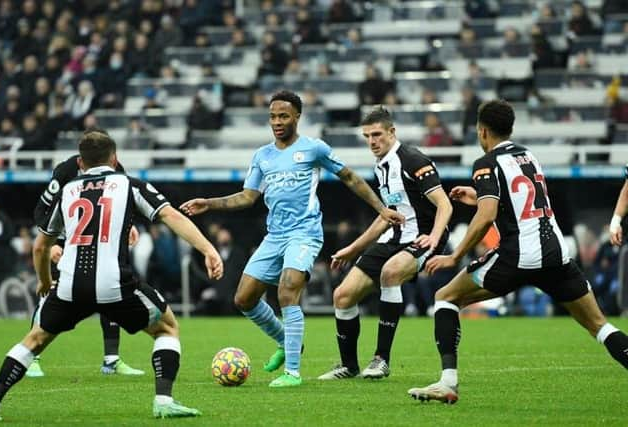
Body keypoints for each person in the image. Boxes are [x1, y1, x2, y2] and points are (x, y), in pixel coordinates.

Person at [0, 130, 224, 422]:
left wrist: (44, 281)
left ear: (81, 162)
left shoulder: (67, 191)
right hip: (114, 284)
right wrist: (208, 249)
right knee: (166, 328)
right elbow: (171, 216)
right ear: (115, 158)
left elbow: (40, 246)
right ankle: (164, 401)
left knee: (35, 339)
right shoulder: (128, 185)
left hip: (70, 285)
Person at [407, 100, 628, 404]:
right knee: (599, 325)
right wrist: (479, 195)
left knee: (446, 297)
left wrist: (455, 255)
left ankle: (448, 382)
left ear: (482, 131)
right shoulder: (528, 155)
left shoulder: (486, 163)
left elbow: (486, 217)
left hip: (518, 255)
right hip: (555, 254)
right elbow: (522, 198)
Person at [180, 90, 404, 387]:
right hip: (275, 236)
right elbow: (247, 197)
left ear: (297, 117)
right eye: (272, 116)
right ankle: (287, 342)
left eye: (283, 116)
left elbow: (349, 177)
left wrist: (381, 208)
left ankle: (293, 373)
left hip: (305, 233)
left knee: (287, 291)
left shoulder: (314, 149)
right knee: (243, 298)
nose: (277, 122)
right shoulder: (263, 156)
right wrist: (209, 203)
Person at [317, 107, 453, 380]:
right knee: (342, 296)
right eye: (367, 136)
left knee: (390, 273)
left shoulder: (413, 160)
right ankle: (348, 366)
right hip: (393, 239)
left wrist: (434, 238)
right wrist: (353, 248)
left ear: (392, 132)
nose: (372, 141)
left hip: (423, 238)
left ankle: (382, 359)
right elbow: (386, 216)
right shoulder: (381, 166)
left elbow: (444, 204)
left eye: (377, 134)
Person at [26, 140, 144, 377]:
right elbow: (43, 210)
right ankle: (32, 358)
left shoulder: (116, 170)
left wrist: (129, 226)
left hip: (100, 239)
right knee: (50, 292)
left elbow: (123, 205)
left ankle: (111, 360)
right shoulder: (65, 172)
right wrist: (51, 246)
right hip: (65, 239)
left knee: (110, 289)